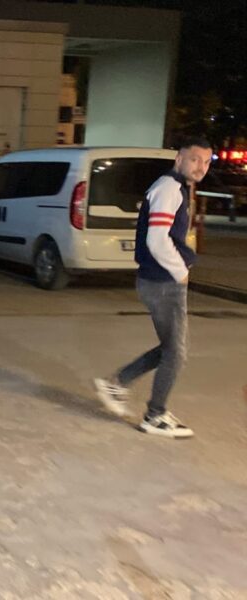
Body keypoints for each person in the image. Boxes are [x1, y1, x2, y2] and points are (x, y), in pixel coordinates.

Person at [93, 136, 212, 438]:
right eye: (195, 159)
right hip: (162, 281)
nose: (201, 166)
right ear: (179, 159)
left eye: (206, 161)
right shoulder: (169, 188)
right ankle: (154, 415)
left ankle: (117, 383)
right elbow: (157, 239)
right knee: (176, 353)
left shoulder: (175, 187)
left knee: (171, 349)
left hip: (158, 279)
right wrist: (180, 271)